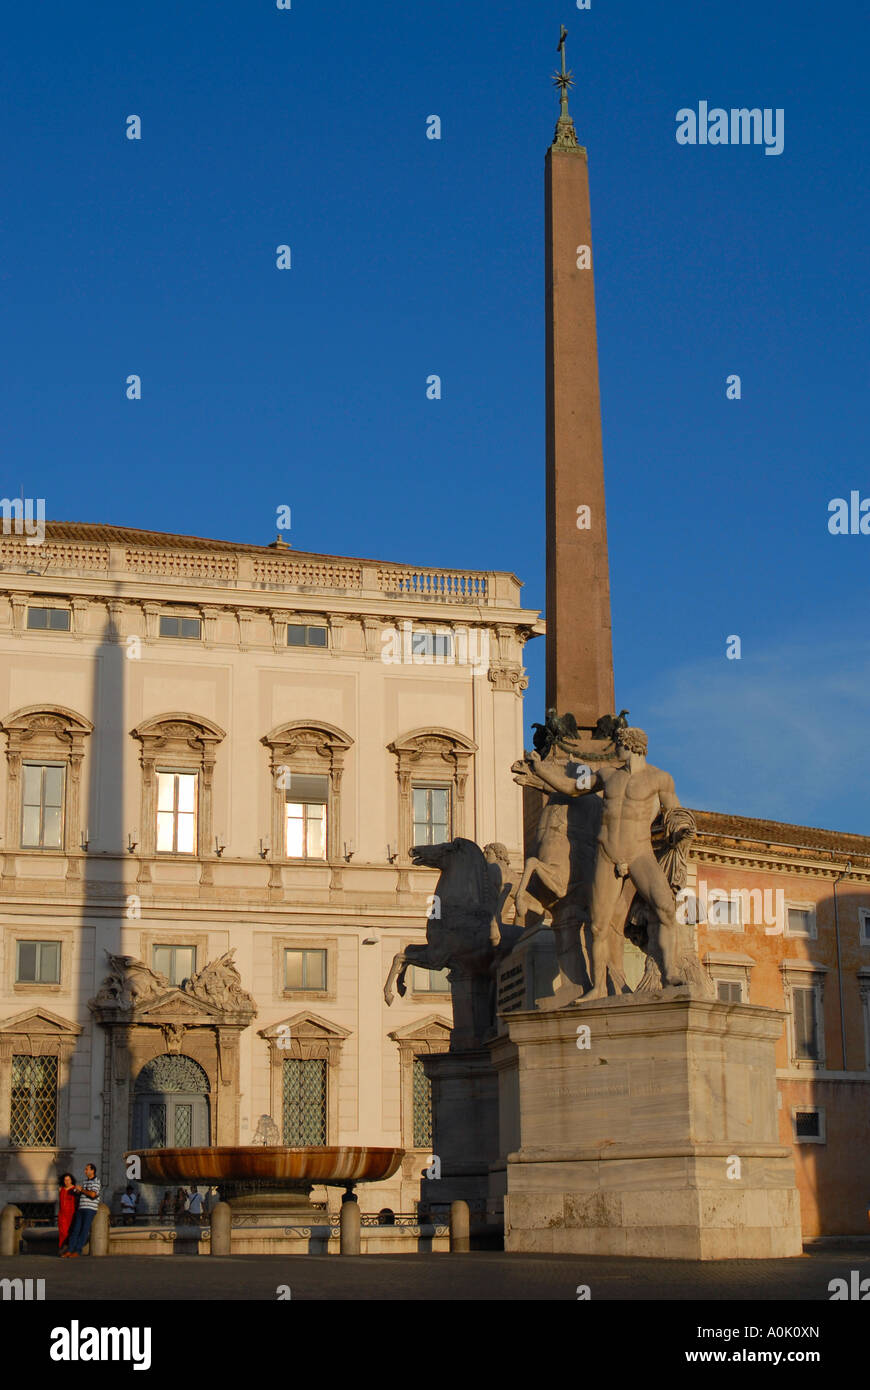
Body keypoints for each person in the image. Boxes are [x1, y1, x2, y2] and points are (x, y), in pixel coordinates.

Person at [524, 726, 687, 998]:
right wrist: (540, 769)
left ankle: (670, 973)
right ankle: (599, 987)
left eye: (619, 745)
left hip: (639, 852)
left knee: (665, 907)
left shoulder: (660, 779)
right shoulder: (607, 775)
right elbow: (571, 788)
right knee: (598, 924)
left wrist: (681, 830)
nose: (615, 750)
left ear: (631, 746)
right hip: (607, 852)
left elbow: (675, 812)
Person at [63, 1163, 101, 1257]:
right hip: (81, 1208)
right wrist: (77, 1190)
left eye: (87, 1169)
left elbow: (93, 1195)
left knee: (84, 1230)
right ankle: (70, 1249)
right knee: (75, 1230)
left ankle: (78, 1250)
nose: (85, 1171)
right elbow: (83, 1193)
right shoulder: (85, 1181)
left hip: (90, 1209)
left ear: (92, 1171)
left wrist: (82, 1190)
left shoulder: (96, 1182)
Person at [57, 1173, 77, 1254]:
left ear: (71, 1180)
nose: (67, 1182)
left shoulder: (75, 1189)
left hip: (71, 1214)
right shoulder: (60, 1189)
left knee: (71, 1231)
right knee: (62, 1231)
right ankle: (63, 1247)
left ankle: (69, 1248)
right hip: (62, 1214)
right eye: (65, 1180)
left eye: (68, 1180)